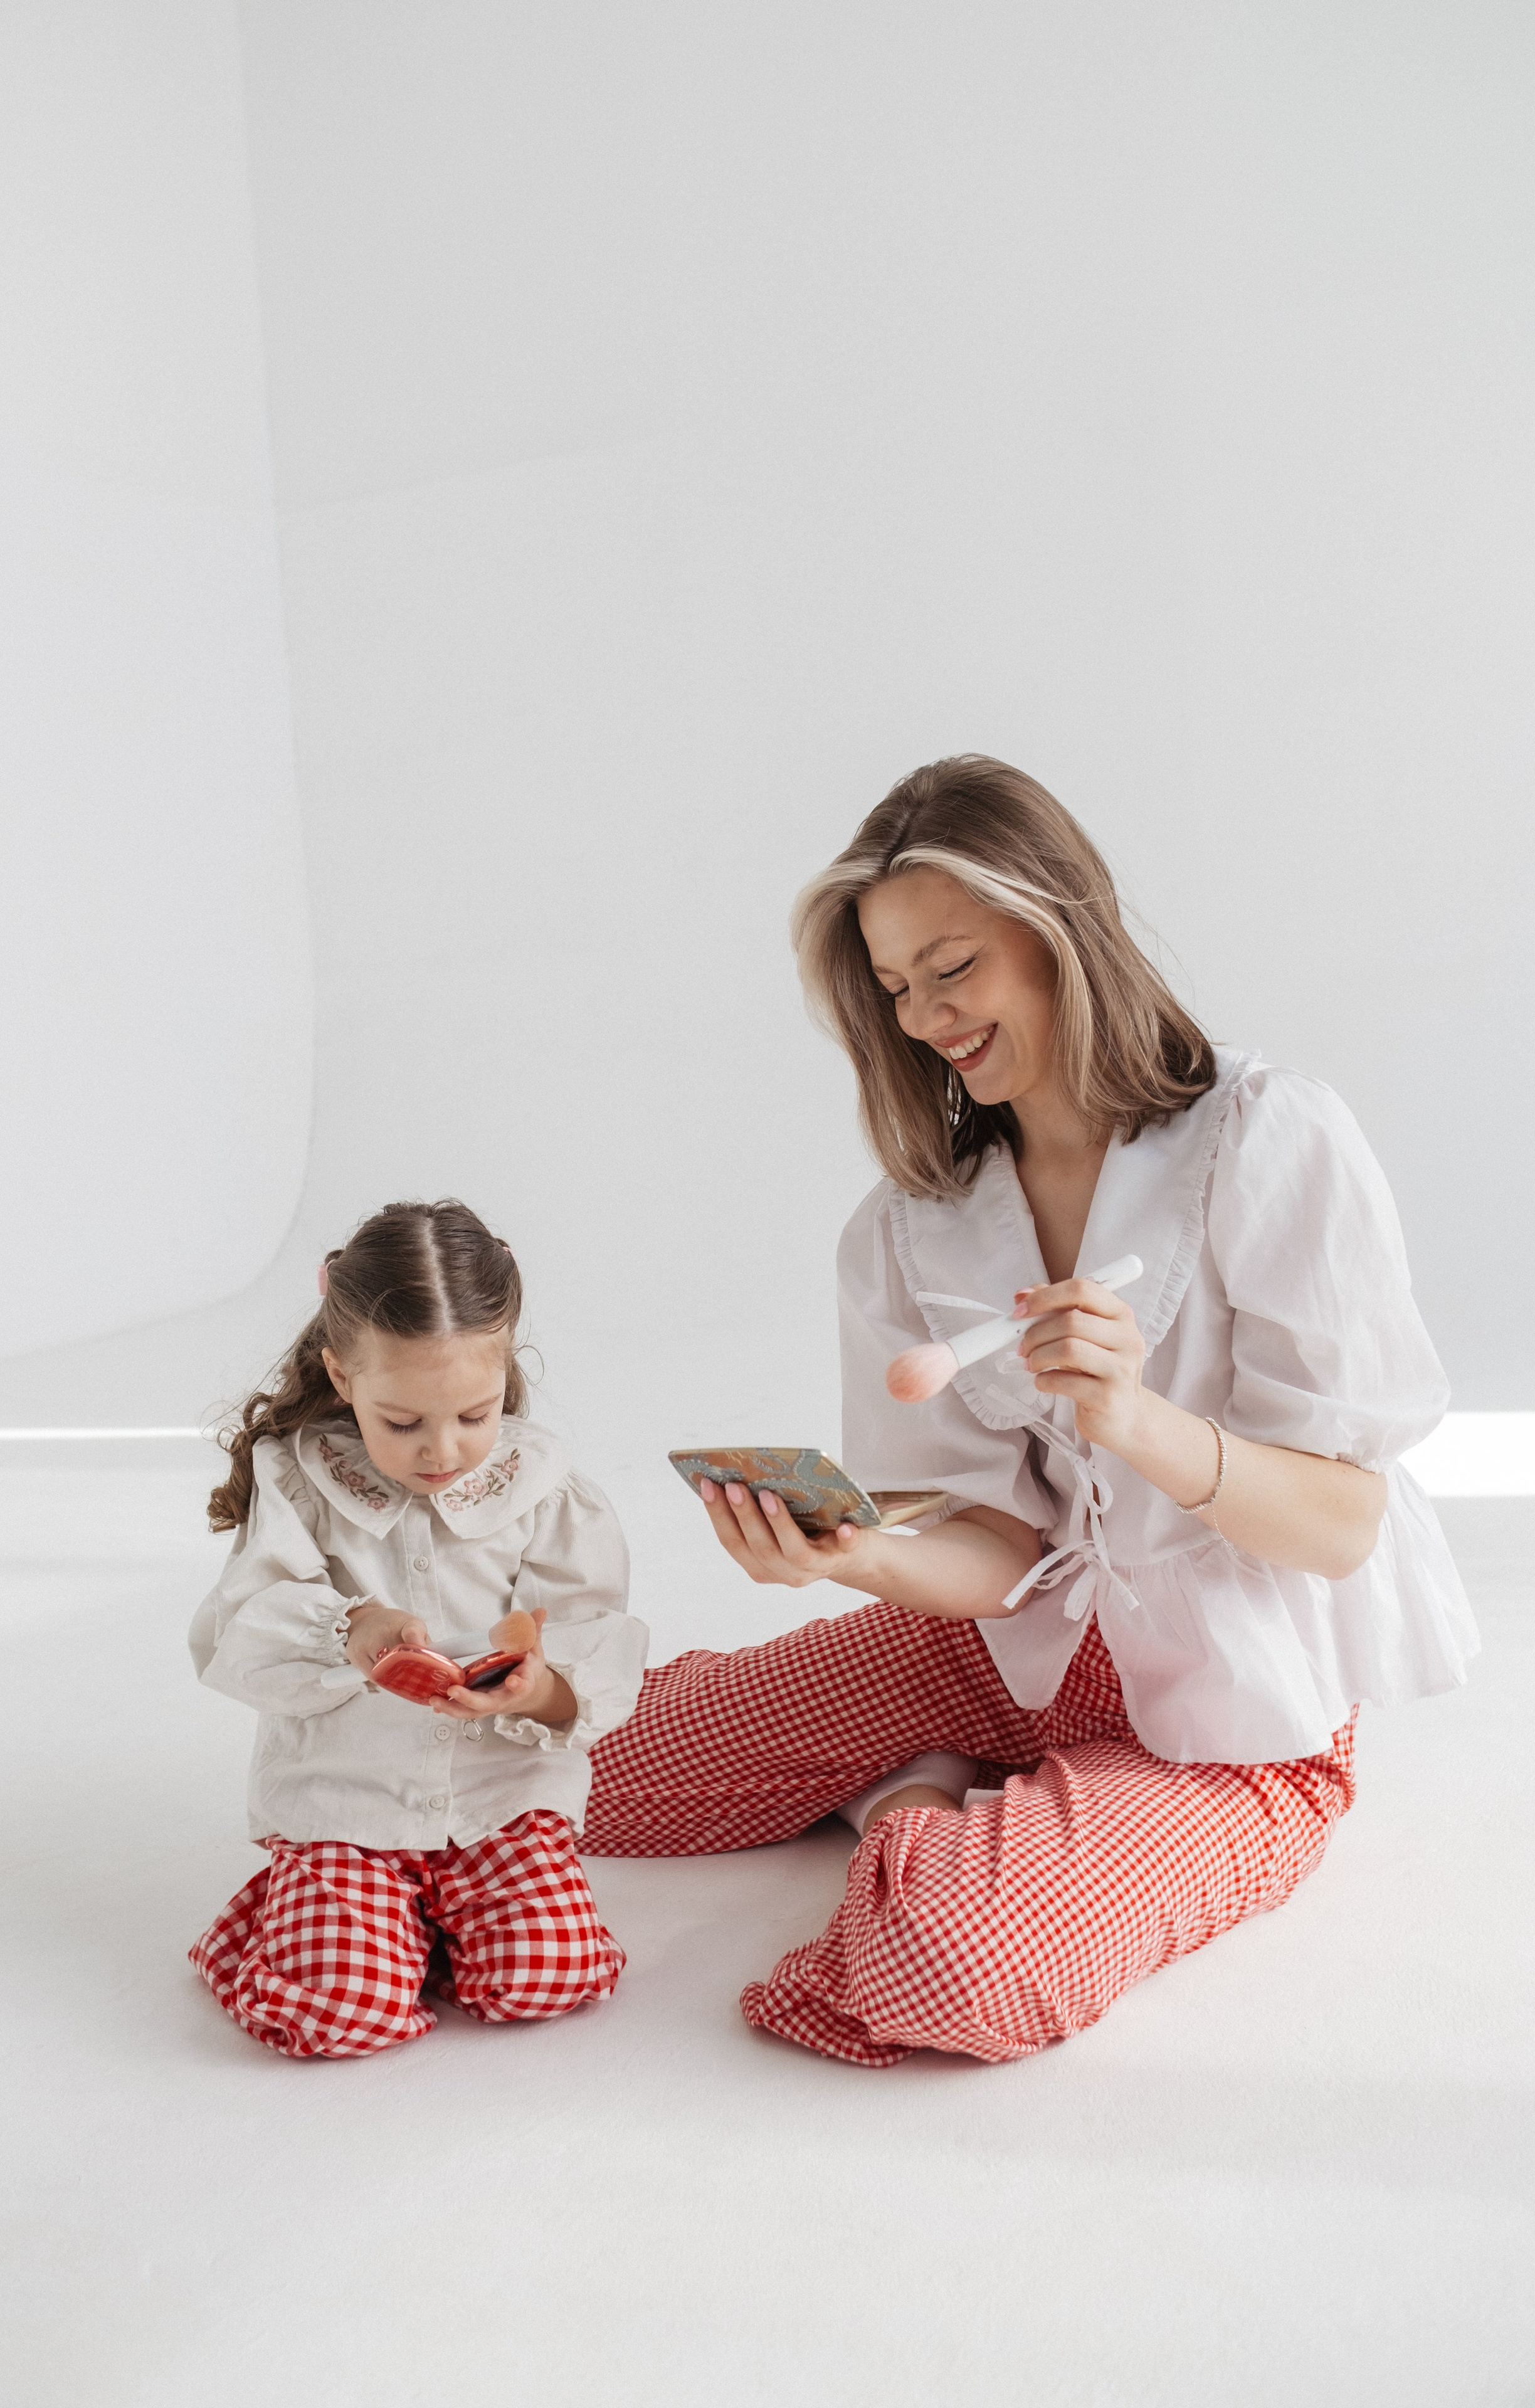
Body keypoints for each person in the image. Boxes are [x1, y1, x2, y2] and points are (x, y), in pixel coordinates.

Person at [583, 755, 1476, 2068]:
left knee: (948, 1959)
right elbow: (994, 1553)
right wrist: (859, 1553)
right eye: (893, 990)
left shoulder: (1268, 1138)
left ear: (1057, 924)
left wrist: (1134, 1420)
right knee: (576, 1772)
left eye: (953, 968)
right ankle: (944, 1770)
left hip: (1225, 1723)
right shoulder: (909, 1229)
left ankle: (919, 1807)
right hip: (997, 1655)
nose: (926, 1015)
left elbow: (1342, 1523)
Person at [189, 1199, 646, 2057]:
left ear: (505, 1367)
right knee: (334, 2016)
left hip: (496, 1800)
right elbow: (238, 1630)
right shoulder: (299, 1481)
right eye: (403, 1423)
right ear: (341, 1376)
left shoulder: (541, 1485)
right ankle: (303, 1921)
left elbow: (593, 1630)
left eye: (473, 1415)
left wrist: (540, 1687)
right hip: (349, 1799)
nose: (442, 1450)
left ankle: (417, 1928)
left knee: (548, 1978)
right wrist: (349, 1628)